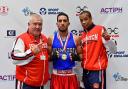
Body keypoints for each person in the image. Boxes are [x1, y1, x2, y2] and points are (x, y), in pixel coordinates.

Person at [79, 11, 117, 89]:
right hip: (85, 71)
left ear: (91, 18)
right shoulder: (82, 36)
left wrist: (108, 39)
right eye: (81, 20)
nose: (83, 22)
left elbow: (113, 50)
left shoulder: (100, 29)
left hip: (97, 71)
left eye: (86, 19)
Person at [11, 13, 49, 89]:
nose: (37, 27)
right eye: (35, 24)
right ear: (29, 24)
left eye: (40, 24)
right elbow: (14, 58)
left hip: (40, 84)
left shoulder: (44, 39)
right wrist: (31, 53)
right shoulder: (22, 38)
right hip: (26, 84)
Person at [48, 12, 82, 89]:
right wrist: (52, 57)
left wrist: (76, 57)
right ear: (57, 24)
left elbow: (82, 57)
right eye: (60, 21)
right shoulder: (51, 39)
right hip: (57, 75)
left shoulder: (76, 38)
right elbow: (47, 58)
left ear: (68, 23)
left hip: (71, 75)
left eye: (64, 21)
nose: (62, 23)